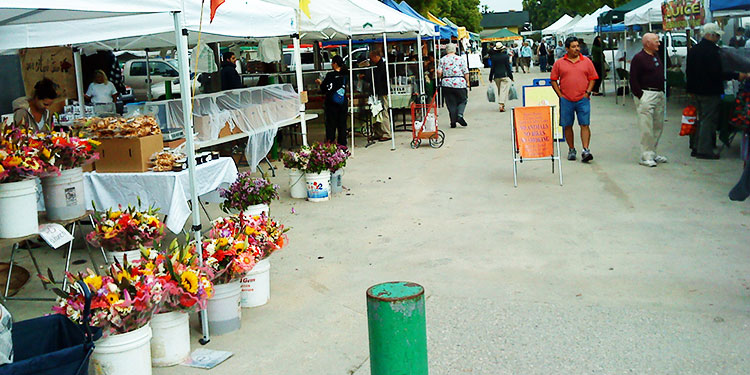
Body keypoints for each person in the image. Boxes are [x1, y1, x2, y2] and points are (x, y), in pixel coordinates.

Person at [686, 23, 749, 160]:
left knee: (701, 119)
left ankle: (696, 146)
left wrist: (689, 89)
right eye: (717, 35)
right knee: (708, 121)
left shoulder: (694, 49)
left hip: (696, 91)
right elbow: (717, 73)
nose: (718, 38)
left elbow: (689, 71)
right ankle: (704, 150)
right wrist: (737, 76)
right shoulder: (713, 52)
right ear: (711, 35)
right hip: (709, 91)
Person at [550, 36, 598, 163]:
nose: (577, 49)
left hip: (583, 99)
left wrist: (587, 93)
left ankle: (586, 150)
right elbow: (553, 80)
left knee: (585, 124)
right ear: (567, 49)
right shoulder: (559, 63)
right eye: (573, 47)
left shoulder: (586, 61)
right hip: (566, 99)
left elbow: (593, 78)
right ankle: (571, 149)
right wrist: (560, 95)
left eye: (578, 46)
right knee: (567, 125)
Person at [630, 33, 667, 167]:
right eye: (656, 41)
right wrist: (640, 95)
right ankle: (646, 155)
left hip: (658, 94)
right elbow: (633, 79)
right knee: (646, 127)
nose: (659, 43)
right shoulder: (638, 58)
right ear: (647, 43)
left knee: (658, 125)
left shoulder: (656, 55)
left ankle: (653, 152)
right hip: (647, 94)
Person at [316, 55, 348, 146]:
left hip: (331, 103)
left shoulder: (330, 75)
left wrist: (320, 83)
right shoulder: (345, 74)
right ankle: (342, 143)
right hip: (343, 102)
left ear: (335, 64)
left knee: (331, 124)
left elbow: (324, 88)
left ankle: (330, 143)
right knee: (342, 124)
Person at [437, 43, 469, 128]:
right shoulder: (460, 59)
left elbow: (439, 72)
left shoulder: (442, 60)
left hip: (446, 82)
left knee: (451, 103)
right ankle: (460, 115)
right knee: (463, 100)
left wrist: (441, 77)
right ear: (454, 50)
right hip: (459, 82)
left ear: (446, 50)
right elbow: (466, 72)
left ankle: (453, 122)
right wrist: (468, 82)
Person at [368, 50, 392, 141]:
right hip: (377, 92)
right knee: (376, 112)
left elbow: (377, 78)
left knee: (383, 111)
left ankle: (386, 132)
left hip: (381, 91)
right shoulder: (377, 65)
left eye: (372, 57)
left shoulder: (381, 66)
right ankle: (378, 132)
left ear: (376, 56)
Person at [488, 43, 513, 112]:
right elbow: (508, 67)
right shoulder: (505, 56)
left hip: (496, 76)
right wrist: (511, 76)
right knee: (503, 90)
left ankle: (501, 104)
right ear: (502, 49)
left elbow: (492, 68)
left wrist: (490, 77)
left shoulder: (493, 57)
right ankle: (501, 104)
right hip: (504, 75)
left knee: (500, 90)